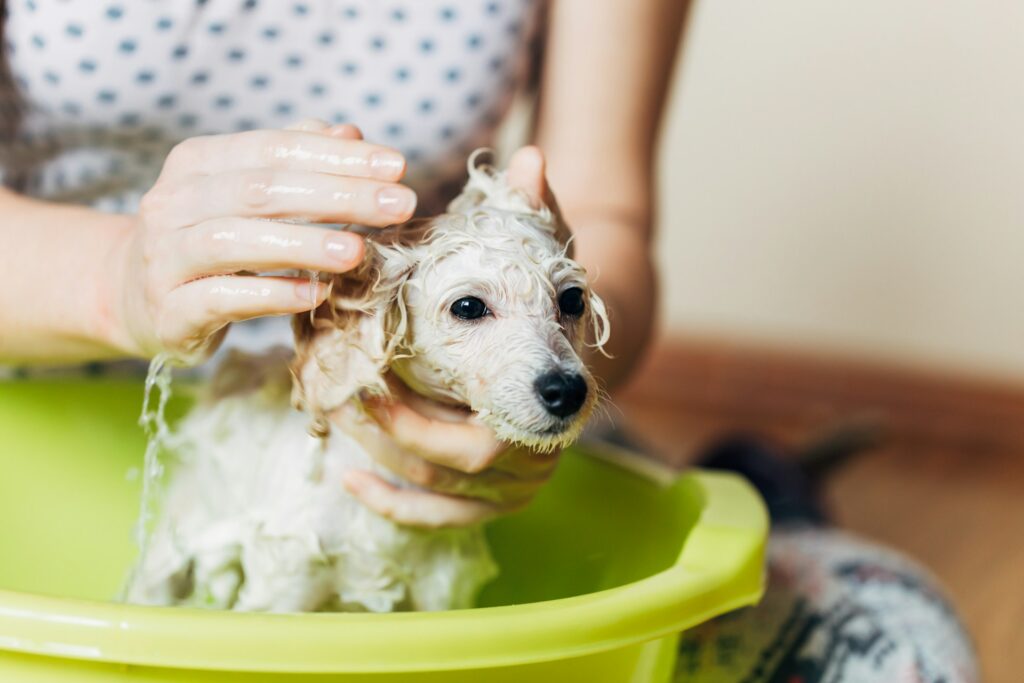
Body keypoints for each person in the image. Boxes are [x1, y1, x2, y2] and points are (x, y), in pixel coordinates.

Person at [0, 2, 977, 680]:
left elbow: (606, 221)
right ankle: (763, 484)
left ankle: (760, 495)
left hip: (448, 424)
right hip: (41, 390)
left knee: (902, 647)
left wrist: (508, 405)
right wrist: (111, 278)